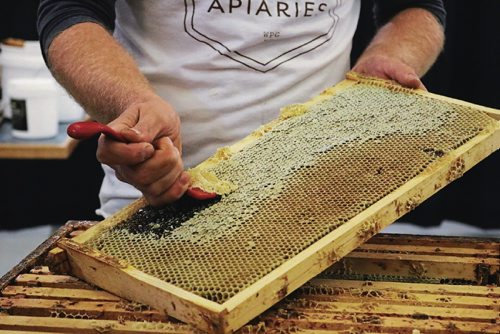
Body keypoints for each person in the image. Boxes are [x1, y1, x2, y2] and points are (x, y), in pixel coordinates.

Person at [37, 0, 445, 218]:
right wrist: (133, 103)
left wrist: (393, 57)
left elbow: (415, 5)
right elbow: (69, 10)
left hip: (323, 203)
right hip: (160, 202)